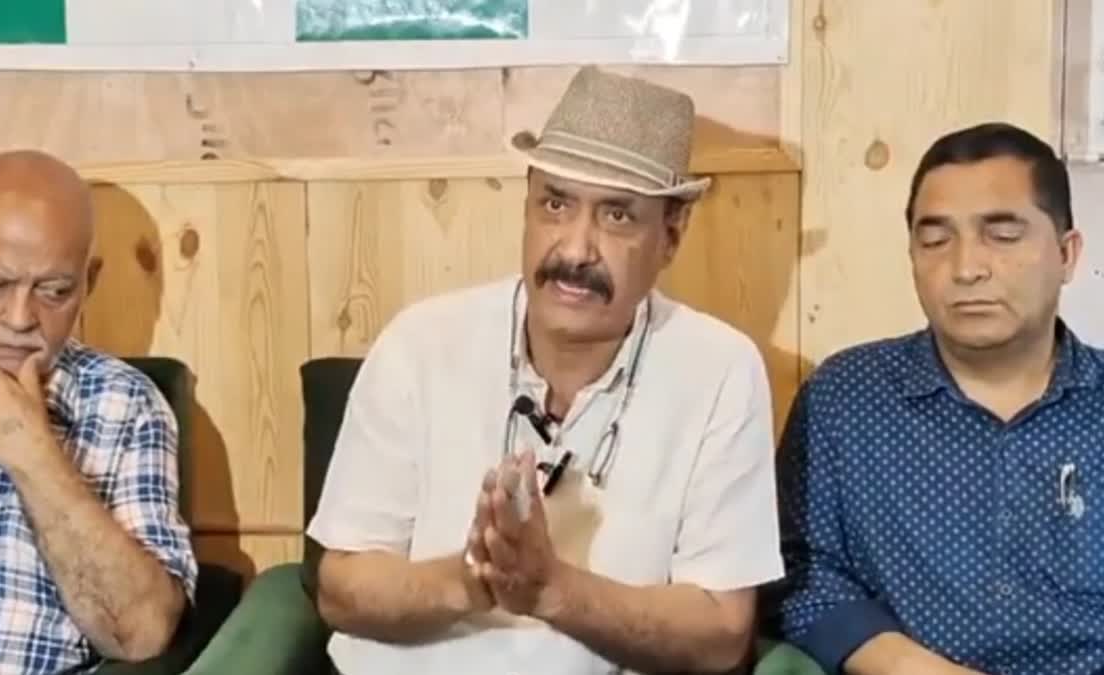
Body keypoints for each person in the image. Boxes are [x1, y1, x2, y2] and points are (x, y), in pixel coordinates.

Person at [306, 65, 783, 674]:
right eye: (556, 204)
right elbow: (341, 588)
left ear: (670, 237)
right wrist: (474, 579)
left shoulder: (720, 370)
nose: (576, 249)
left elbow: (720, 631)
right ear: (527, 210)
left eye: (617, 216)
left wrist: (551, 591)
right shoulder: (421, 343)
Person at [772, 122, 1100, 674]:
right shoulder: (846, 399)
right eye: (935, 239)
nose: (966, 267)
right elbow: (800, 577)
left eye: (1003, 234)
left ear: (1066, 255)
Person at [0, 150, 198, 673]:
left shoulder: (127, 407)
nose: (20, 319)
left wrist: (31, 455)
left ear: (91, 282)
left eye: (55, 291)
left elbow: (142, 635)